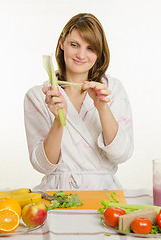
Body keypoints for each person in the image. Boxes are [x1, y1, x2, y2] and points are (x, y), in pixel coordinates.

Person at [24, 13, 133, 190]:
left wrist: (102, 107)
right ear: (62, 43)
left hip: (104, 194)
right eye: (74, 45)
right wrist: (59, 120)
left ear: (99, 52)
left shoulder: (112, 89)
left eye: (90, 48)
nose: (81, 55)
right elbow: (42, 165)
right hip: (57, 194)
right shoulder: (38, 96)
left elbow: (121, 154)